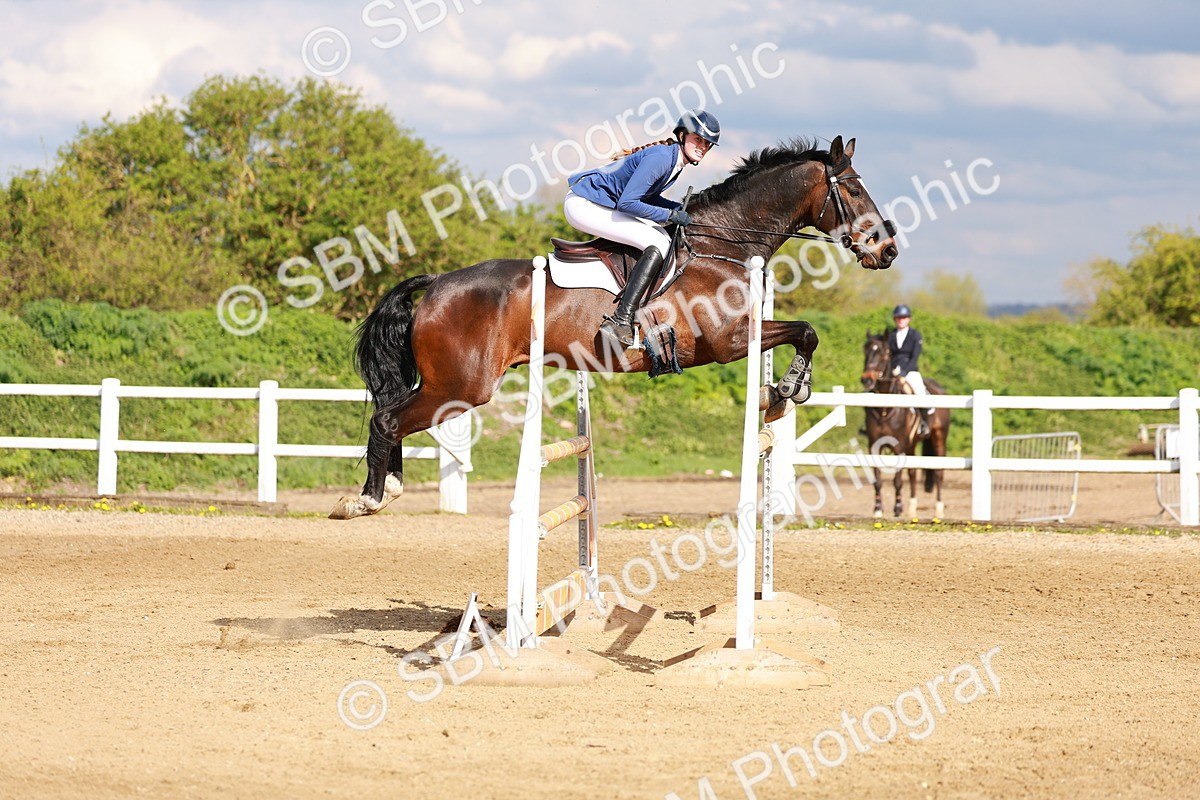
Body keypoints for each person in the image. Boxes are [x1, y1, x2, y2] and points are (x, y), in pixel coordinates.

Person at [563, 108, 720, 347]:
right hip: (584, 205)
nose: (702, 147)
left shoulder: (674, 160)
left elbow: (648, 197)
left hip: (601, 204)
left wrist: (679, 209)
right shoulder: (662, 158)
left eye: (707, 144)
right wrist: (670, 214)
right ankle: (621, 320)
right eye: (698, 139)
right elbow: (629, 203)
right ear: (682, 135)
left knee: (661, 238)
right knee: (657, 242)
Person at [887, 304, 933, 437]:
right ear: (895, 319)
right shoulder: (891, 335)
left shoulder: (915, 335)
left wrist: (904, 373)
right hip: (893, 370)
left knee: (919, 392)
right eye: (898, 317)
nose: (901, 320)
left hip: (910, 370)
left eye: (904, 317)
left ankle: (924, 422)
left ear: (908, 319)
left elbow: (915, 356)